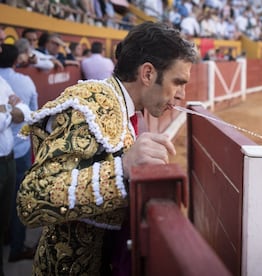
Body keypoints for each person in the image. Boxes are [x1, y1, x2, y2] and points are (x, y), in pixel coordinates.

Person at [16, 21, 198, 275]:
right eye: (178, 82)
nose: (181, 94)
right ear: (147, 74)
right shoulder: (90, 105)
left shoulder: (123, 107)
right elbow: (31, 200)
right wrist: (122, 167)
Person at [0, 43, 39, 264]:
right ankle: (16, 246)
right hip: (20, 148)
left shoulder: (4, 82)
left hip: (8, 150)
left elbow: (23, 110)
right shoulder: (24, 81)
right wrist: (11, 109)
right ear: (16, 60)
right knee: (17, 200)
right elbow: (29, 112)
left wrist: (8, 110)